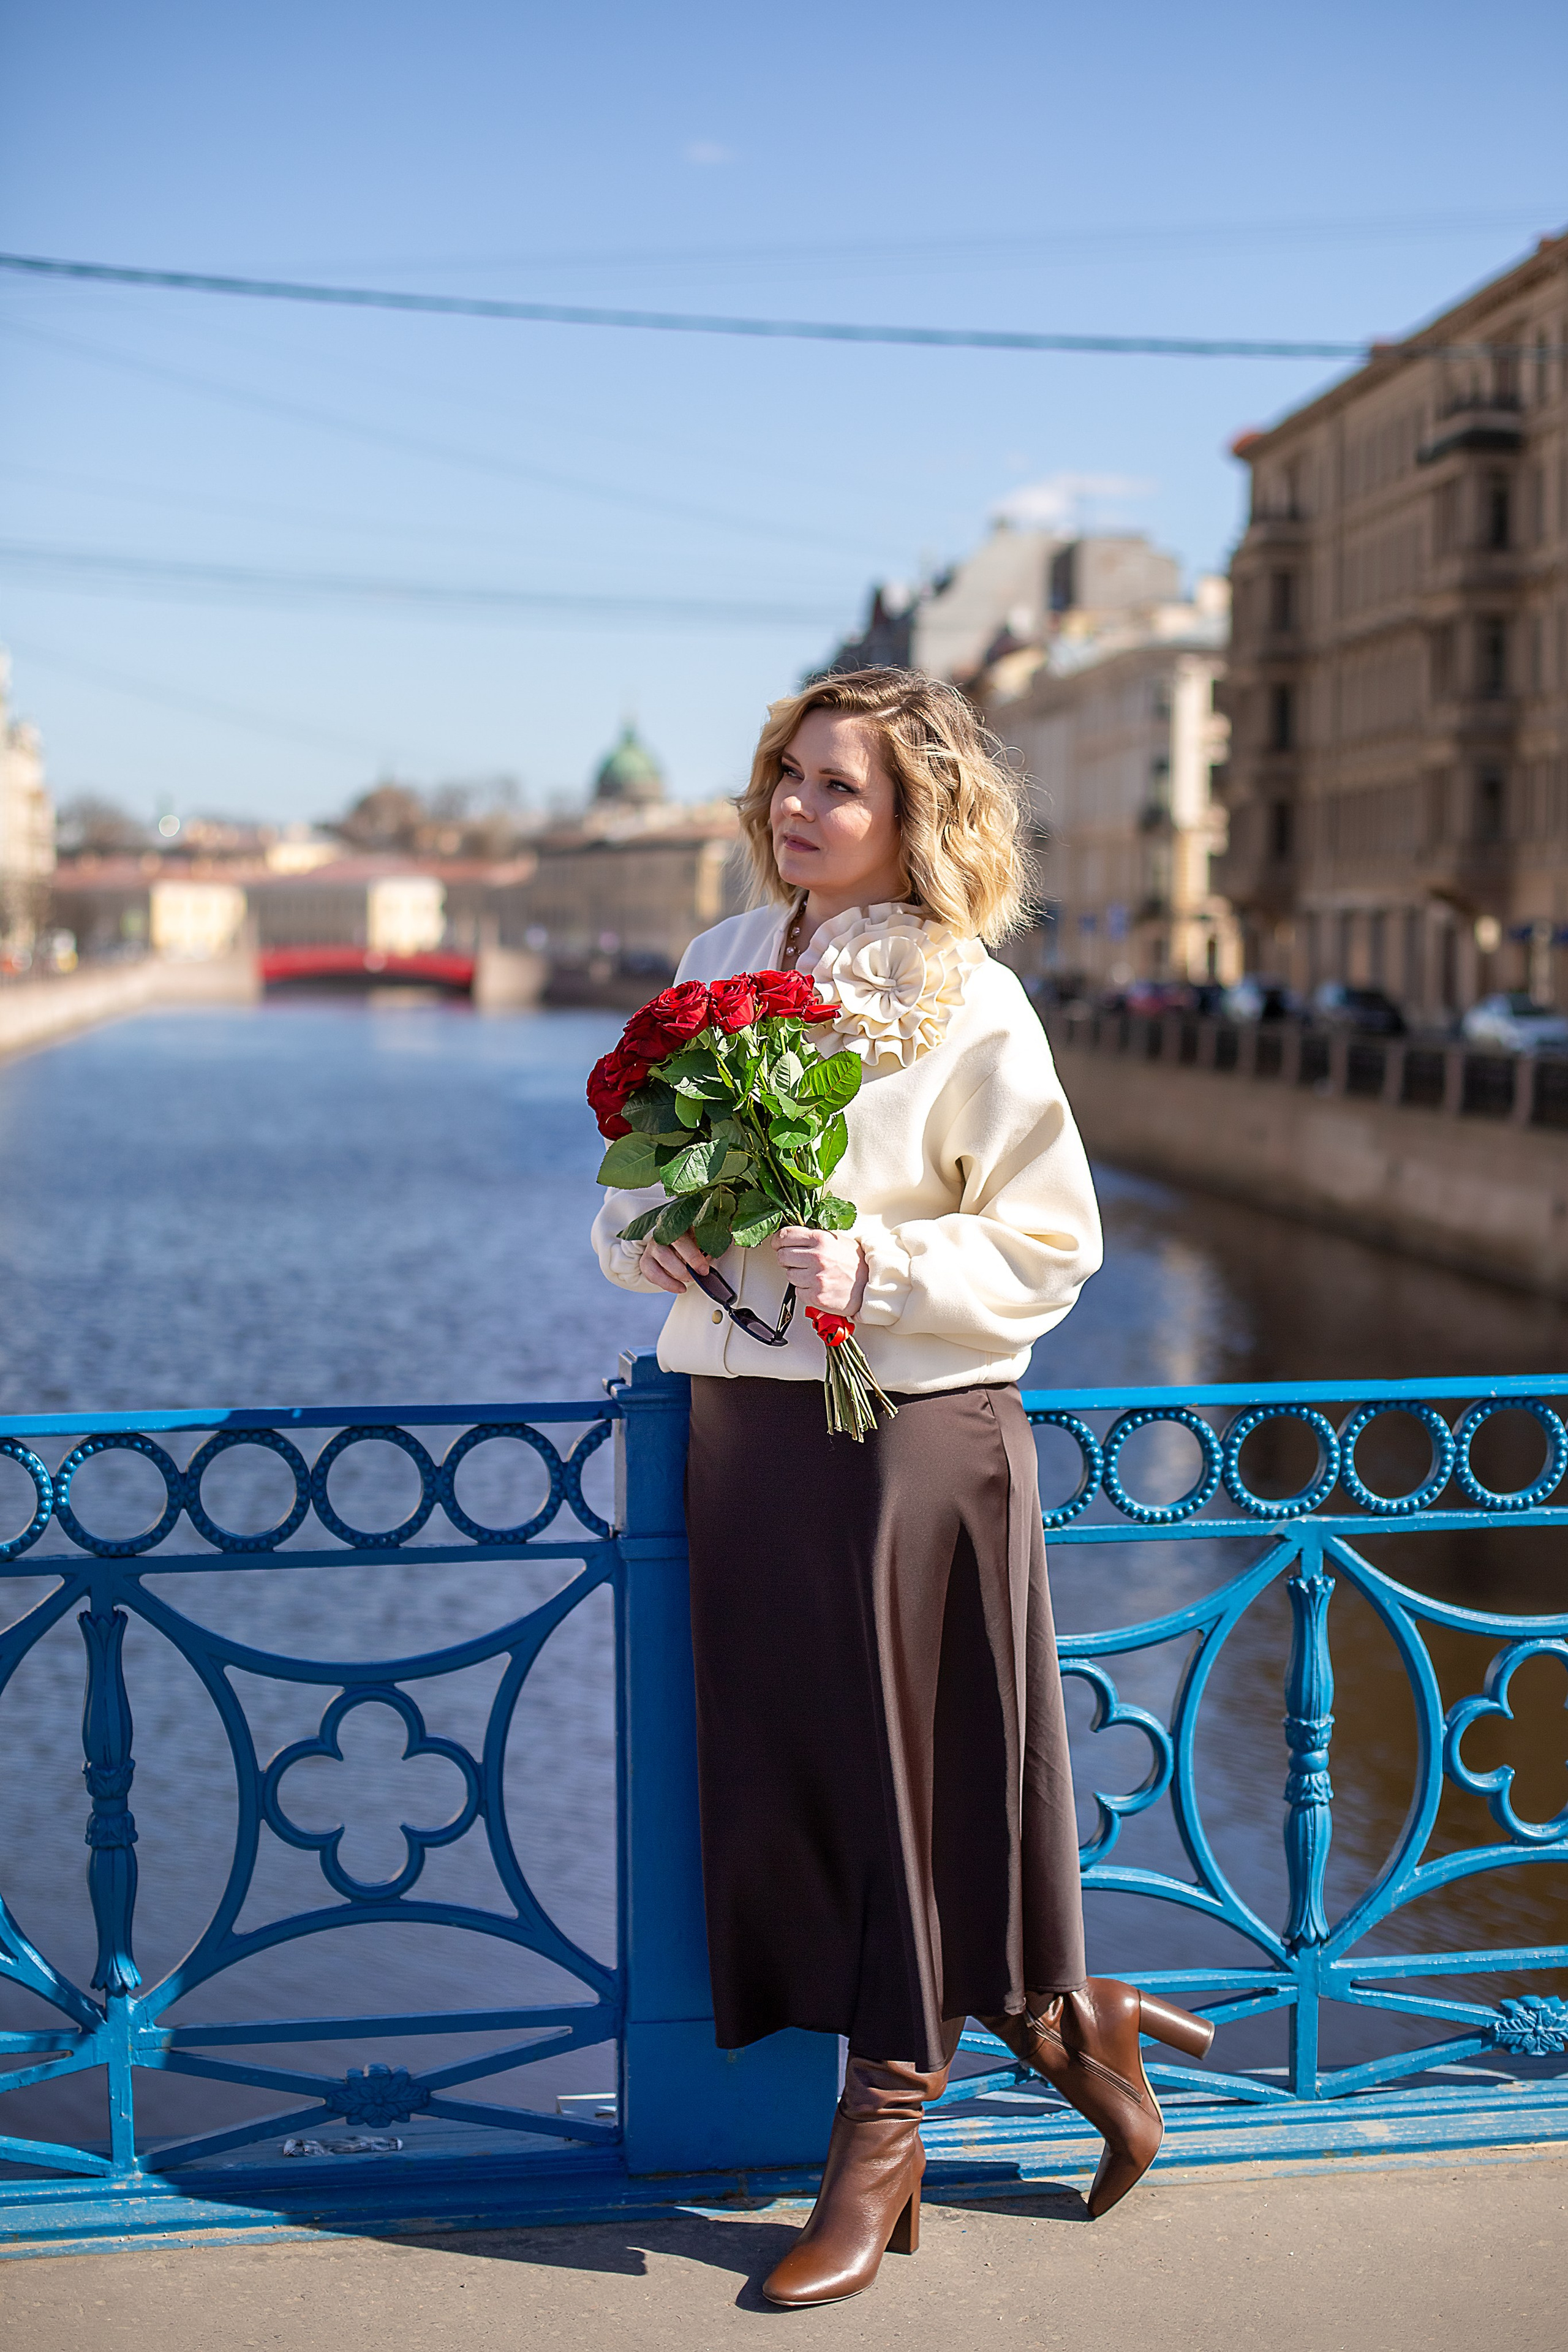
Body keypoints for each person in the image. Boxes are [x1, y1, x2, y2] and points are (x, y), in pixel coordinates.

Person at [591, 669, 1213, 2309]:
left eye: (841, 788)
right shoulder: (715, 965)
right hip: (743, 1431)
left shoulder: (972, 996)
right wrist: (639, 1236)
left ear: (915, 816)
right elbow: (626, 1188)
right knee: (797, 1781)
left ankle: (883, 2133)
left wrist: (875, 1260)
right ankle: (1070, 2017)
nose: (800, 808)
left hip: (908, 1442)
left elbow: (1051, 1242)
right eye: (788, 777)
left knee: (900, 1786)